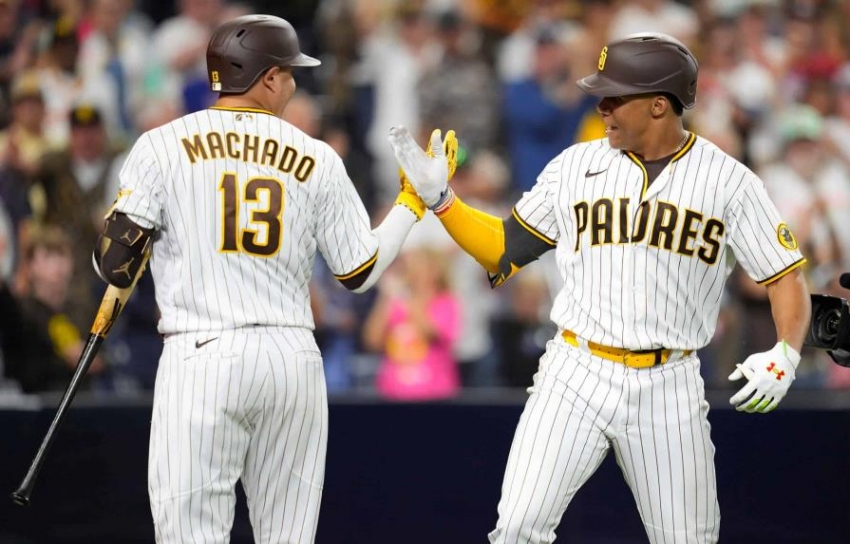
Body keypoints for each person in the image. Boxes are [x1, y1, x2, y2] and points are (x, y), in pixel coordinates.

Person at [390, 33, 811, 544]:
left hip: (670, 382)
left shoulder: (730, 181)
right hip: (576, 370)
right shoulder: (574, 166)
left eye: (615, 96)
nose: (602, 107)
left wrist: (786, 353)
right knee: (517, 528)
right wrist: (443, 200)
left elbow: (784, 275)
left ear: (659, 104)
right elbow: (503, 247)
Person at [93, 15, 451, 543]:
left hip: (201, 355)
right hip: (290, 357)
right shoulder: (317, 156)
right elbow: (359, 272)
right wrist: (411, 203)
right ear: (265, 78)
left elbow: (112, 262)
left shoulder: (160, 145)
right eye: (288, 73)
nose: (292, 84)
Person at [362, 245, 461, 401]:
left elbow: (432, 332)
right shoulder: (395, 300)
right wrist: (385, 297)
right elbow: (371, 341)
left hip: (436, 394)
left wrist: (409, 297)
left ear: (435, 271)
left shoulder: (446, 302)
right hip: (392, 393)